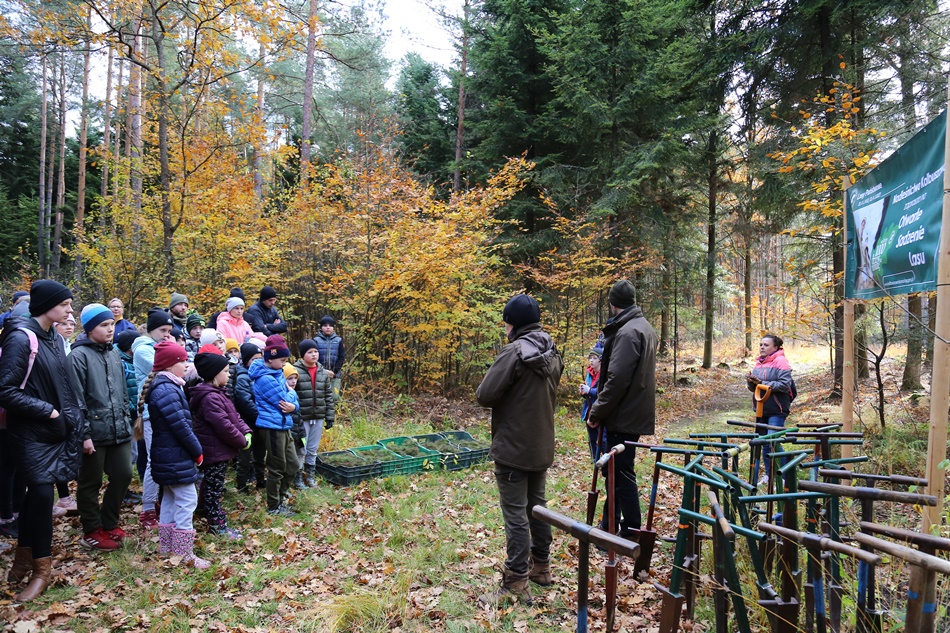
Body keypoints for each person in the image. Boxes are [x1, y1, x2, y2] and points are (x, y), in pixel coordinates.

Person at [475, 294, 563, 605]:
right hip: (541, 444)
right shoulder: (552, 351)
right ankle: (541, 566)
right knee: (537, 508)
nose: (506, 326)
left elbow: (484, 394)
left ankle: (516, 578)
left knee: (516, 512)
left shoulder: (512, 352)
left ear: (514, 324)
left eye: (507, 321)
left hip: (513, 446)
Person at [0, 279, 84, 601]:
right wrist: (48, 411)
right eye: (64, 304)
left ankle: (25, 558)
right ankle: (41, 571)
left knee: (37, 499)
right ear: (47, 305)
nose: (69, 310)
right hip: (32, 432)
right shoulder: (23, 338)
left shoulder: (51, 337)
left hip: (53, 433)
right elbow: (5, 389)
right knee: (38, 497)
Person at [588, 280, 658, 540]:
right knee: (617, 472)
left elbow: (617, 379)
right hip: (631, 412)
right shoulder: (643, 327)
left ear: (613, 303)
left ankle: (627, 532)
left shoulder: (629, 332)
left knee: (619, 474)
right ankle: (613, 528)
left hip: (624, 415)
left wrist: (597, 412)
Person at [139, 341, 209, 568]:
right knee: (188, 500)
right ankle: (184, 553)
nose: (187, 365)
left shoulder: (166, 386)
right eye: (183, 361)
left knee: (169, 499)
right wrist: (197, 451)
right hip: (175, 456)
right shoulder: (167, 390)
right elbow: (181, 427)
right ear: (170, 366)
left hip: (167, 455)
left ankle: (167, 548)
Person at [70, 303, 133, 551]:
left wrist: (127, 418)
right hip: (93, 433)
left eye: (111, 325)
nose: (110, 330)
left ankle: (109, 523)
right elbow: (75, 400)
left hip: (119, 429)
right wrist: (84, 435)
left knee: (123, 475)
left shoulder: (113, 353)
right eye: (103, 325)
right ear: (89, 329)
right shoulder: (78, 357)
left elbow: (122, 391)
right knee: (91, 481)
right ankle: (92, 529)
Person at [190, 351, 250, 539]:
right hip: (213, 451)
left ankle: (202, 510)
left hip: (219, 450)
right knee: (213, 488)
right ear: (215, 374)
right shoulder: (210, 398)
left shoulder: (220, 393)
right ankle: (217, 525)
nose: (230, 374)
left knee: (211, 484)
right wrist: (241, 441)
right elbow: (223, 425)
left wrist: (246, 431)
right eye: (226, 370)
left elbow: (234, 417)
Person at [131, 308, 175, 528]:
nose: (166, 334)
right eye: (162, 330)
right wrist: (175, 351)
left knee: (163, 458)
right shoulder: (142, 349)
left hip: (165, 407)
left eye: (169, 330)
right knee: (152, 461)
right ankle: (148, 508)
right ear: (150, 330)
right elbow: (164, 367)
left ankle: (160, 501)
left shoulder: (161, 346)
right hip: (150, 411)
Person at [249, 335, 298, 515]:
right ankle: (274, 506)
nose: (285, 364)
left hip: (285, 425)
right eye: (283, 360)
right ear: (270, 358)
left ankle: (281, 494)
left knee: (292, 465)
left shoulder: (276, 373)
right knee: (277, 467)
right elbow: (284, 400)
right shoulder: (264, 379)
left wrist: (293, 403)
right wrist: (292, 395)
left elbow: (291, 404)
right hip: (272, 427)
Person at [747, 334, 794, 487]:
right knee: (765, 443)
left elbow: (785, 385)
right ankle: (769, 475)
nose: (762, 347)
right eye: (761, 344)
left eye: (766, 345)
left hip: (777, 408)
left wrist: (762, 382)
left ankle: (785, 475)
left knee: (773, 440)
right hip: (761, 409)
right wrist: (751, 382)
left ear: (775, 347)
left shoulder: (781, 361)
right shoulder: (758, 363)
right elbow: (755, 388)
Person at [293, 339, 334, 487]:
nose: (314, 354)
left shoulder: (322, 371)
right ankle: (297, 476)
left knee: (312, 448)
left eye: (315, 351)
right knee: (300, 448)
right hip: (302, 417)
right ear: (303, 354)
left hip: (318, 416)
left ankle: (310, 475)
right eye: (309, 352)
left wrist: (330, 416)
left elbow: (328, 395)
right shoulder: (295, 370)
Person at [231, 343, 264, 493]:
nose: (256, 362)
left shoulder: (261, 375)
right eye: (253, 360)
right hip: (247, 422)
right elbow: (245, 401)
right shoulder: (243, 377)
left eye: (259, 359)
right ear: (245, 360)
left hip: (260, 423)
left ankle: (260, 479)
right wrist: (260, 414)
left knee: (260, 453)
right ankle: (242, 483)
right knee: (245, 455)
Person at [580, 343, 604, 462]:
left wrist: (590, 390)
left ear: (600, 361)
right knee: (592, 438)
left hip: (601, 411)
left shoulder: (604, 374)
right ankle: (595, 460)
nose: (591, 361)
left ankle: (604, 460)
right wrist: (584, 392)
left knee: (602, 438)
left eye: (595, 358)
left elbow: (603, 392)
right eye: (590, 358)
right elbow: (588, 394)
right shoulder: (589, 374)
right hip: (589, 410)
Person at [314, 316, 345, 400]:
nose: (328, 327)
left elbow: (342, 357)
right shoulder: (316, 340)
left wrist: (334, 372)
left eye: (330, 325)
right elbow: (314, 358)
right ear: (321, 327)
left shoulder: (338, 340)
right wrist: (323, 371)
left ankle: (332, 413)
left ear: (333, 328)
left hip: (335, 375)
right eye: (325, 325)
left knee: (334, 397)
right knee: (320, 397)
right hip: (319, 374)